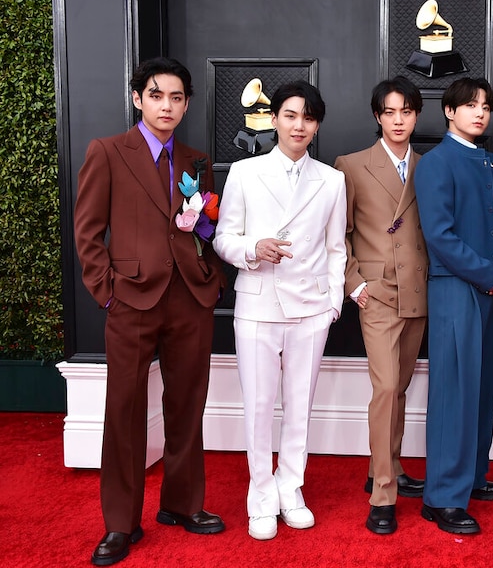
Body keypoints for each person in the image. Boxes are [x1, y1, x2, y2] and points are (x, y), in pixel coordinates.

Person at [74, 57, 226, 566]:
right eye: (157, 95)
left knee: (188, 405)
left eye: (177, 97)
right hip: (131, 299)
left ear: (185, 104)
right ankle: (120, 523)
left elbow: (203, 228)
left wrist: (209, 278)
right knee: (124, 410)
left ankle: (182, 505)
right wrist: (107, 292)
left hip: (189, 297)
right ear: (139, 98)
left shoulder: (195, 160)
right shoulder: (108, 152)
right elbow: (88, 231)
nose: (168, 105)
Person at [212, 81, 347, 541]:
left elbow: (336, 248)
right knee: (257, 408)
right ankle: (261, 497)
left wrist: (331, 303)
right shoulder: (246, 172)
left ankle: (292, 490)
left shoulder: (331, 180)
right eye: (290, 115)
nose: (299, 125)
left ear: (316, 125)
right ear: (274, 120)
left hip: (310, 309)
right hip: (257, 304)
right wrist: (254, 247)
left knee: (299, 409)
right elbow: (223, 238)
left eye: (308, 118)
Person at [414, 77, 493, 534]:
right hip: (456, 287)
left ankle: (470, 476)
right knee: (454, 391)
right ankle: (442, 498)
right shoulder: (437, 163)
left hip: (488, 290)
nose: (480, 112)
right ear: (449, 111)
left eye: (486, 106)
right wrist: (491, 275)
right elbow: (440, 236)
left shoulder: (485, 160)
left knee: (481, 386)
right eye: (470, 105)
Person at [334, 76, 427, 535]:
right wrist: (354, 282)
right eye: (389, 112)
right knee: (387, 388)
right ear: (377, 116)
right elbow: (339, 232)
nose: (398, 120)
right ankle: (383, 494)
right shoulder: (351, 165)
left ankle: (383, 465)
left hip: (418, 292)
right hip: (377, 293)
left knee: (400, 388)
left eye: (406, 112)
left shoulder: (429, 166)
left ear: (416, 116)